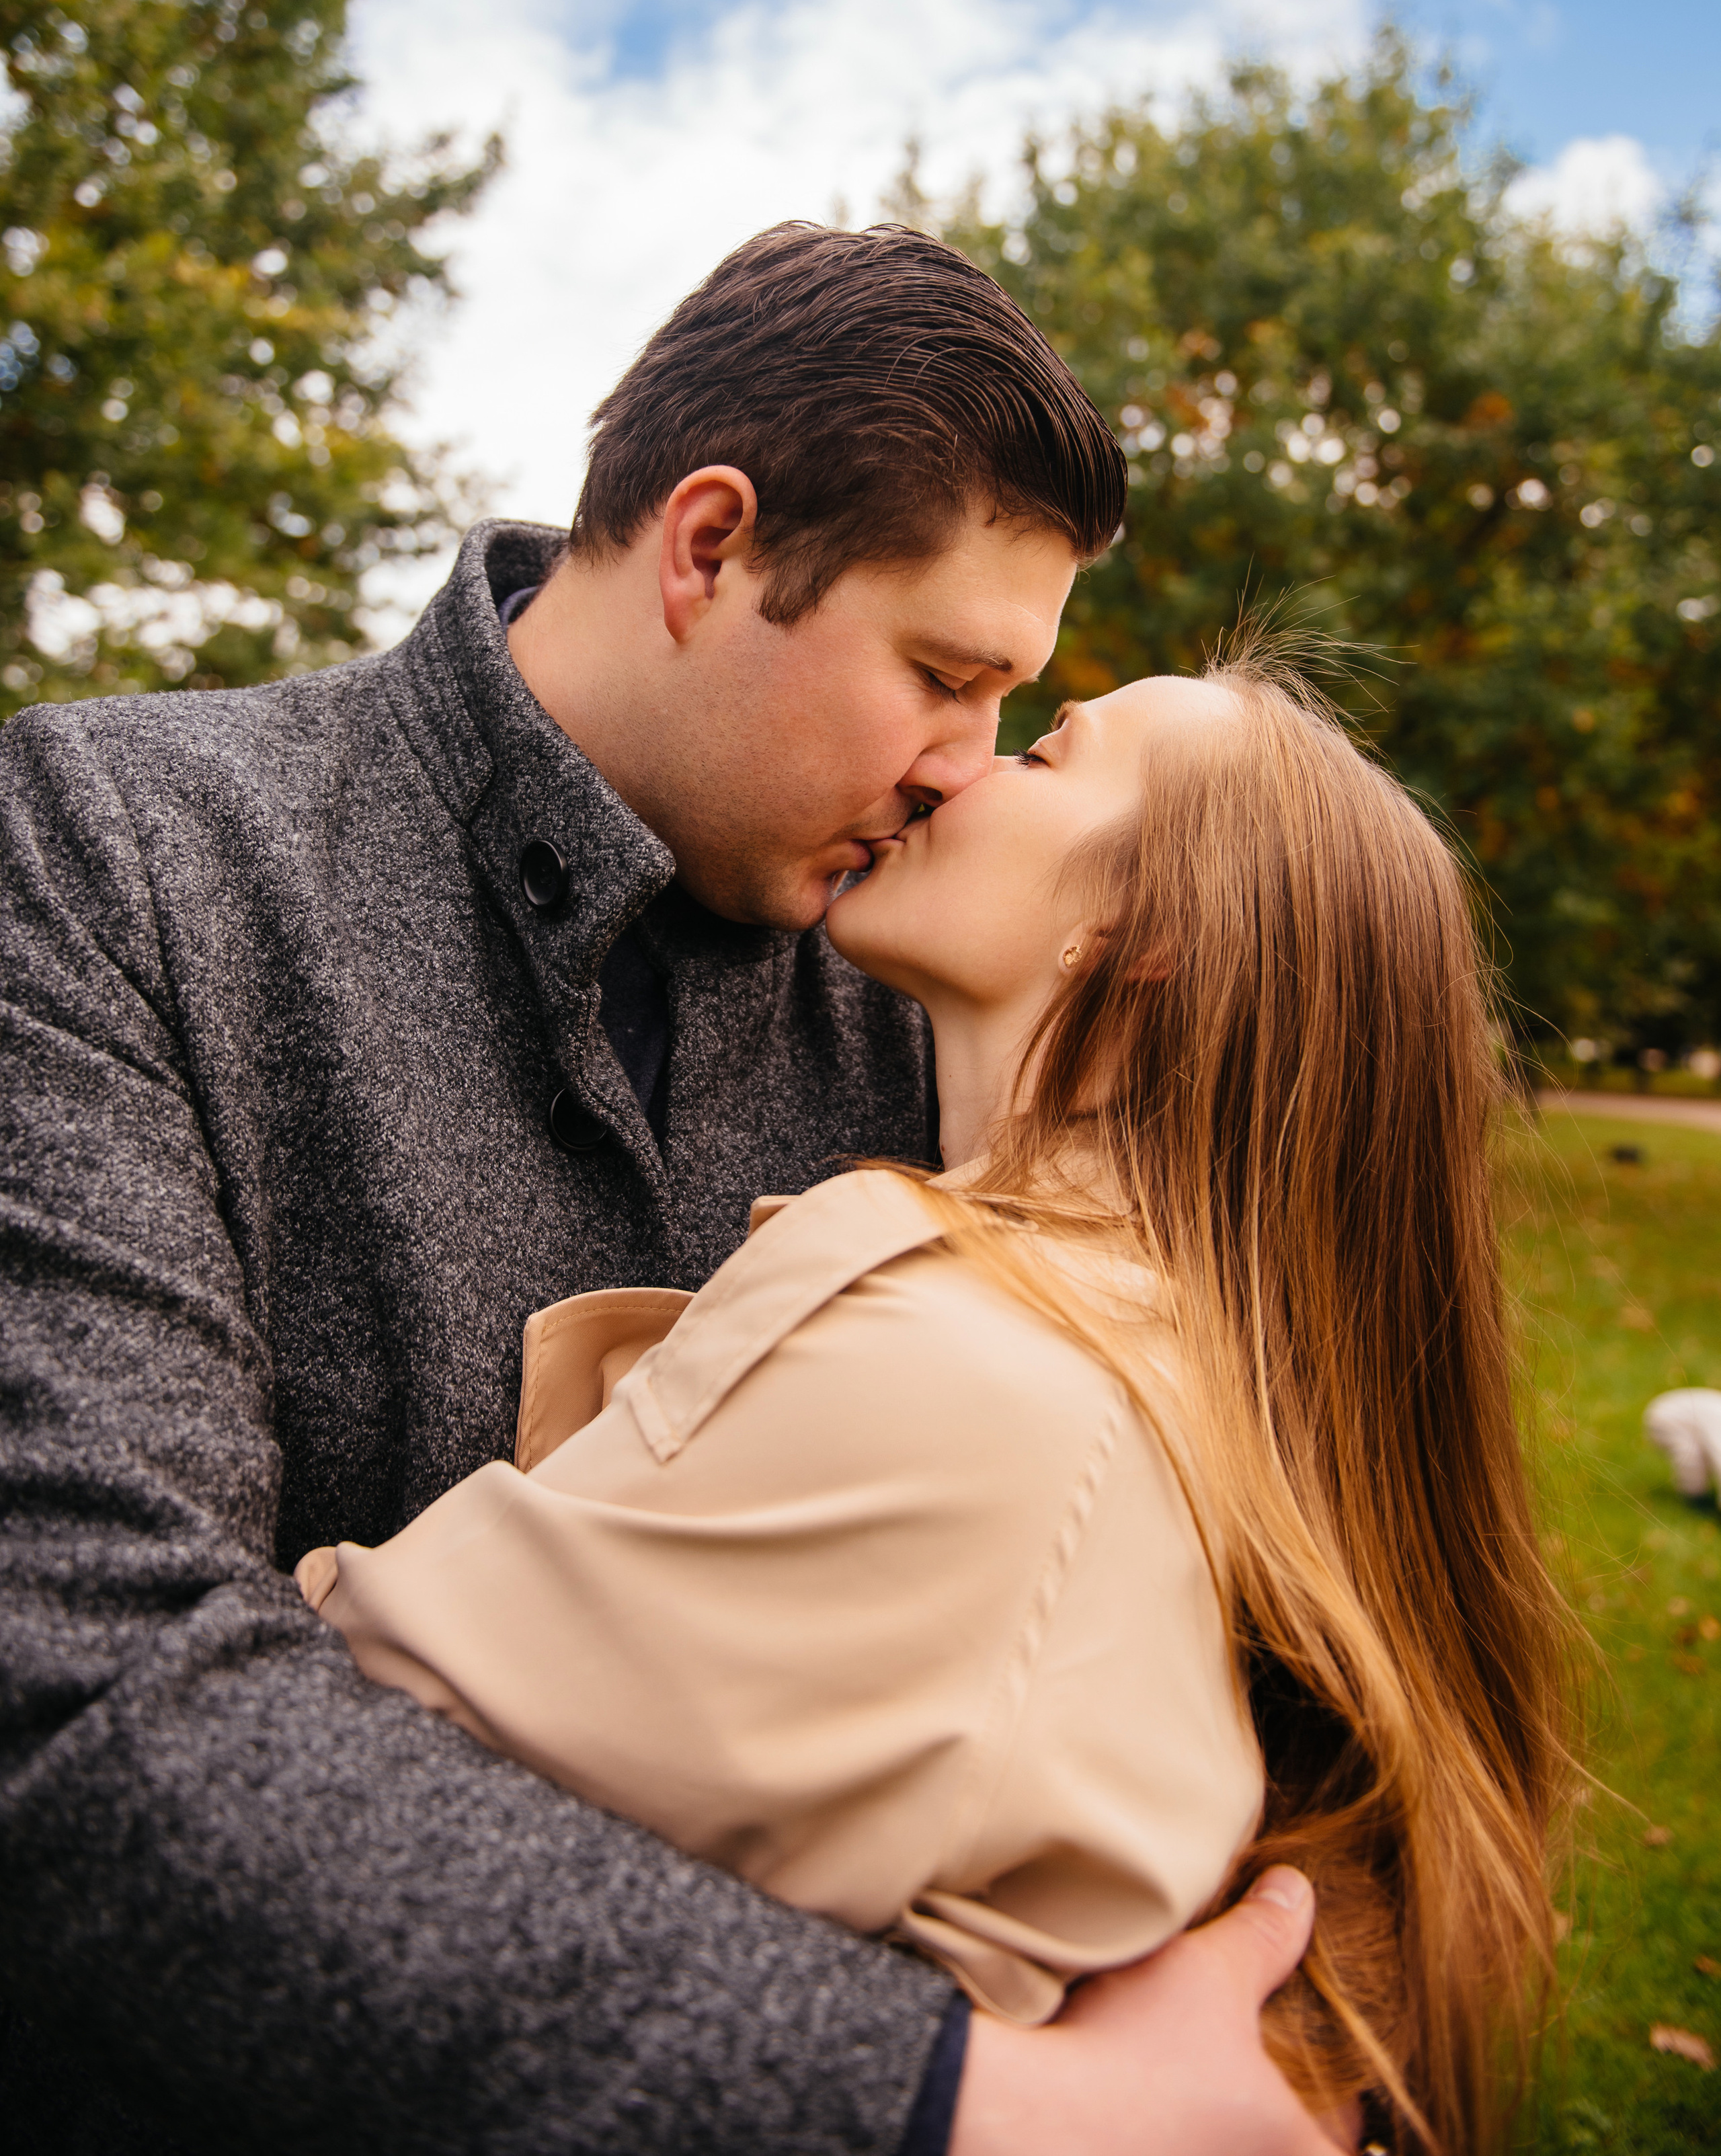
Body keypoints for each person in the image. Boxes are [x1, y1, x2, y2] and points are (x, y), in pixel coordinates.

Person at [0, 223, 1338, 2156]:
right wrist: (932, 2095)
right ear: (709, 545)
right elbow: (70, 1670)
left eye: (1012, 707)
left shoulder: (922, 985)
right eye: (945, 676)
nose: (968, 771)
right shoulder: (112, 854)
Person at [295, 655, 1573, 2151]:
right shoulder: (1142, 1340)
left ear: (1136, 936)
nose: (960, 767)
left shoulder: (981, 1379)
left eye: (1045, 752)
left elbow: (317, 1772)